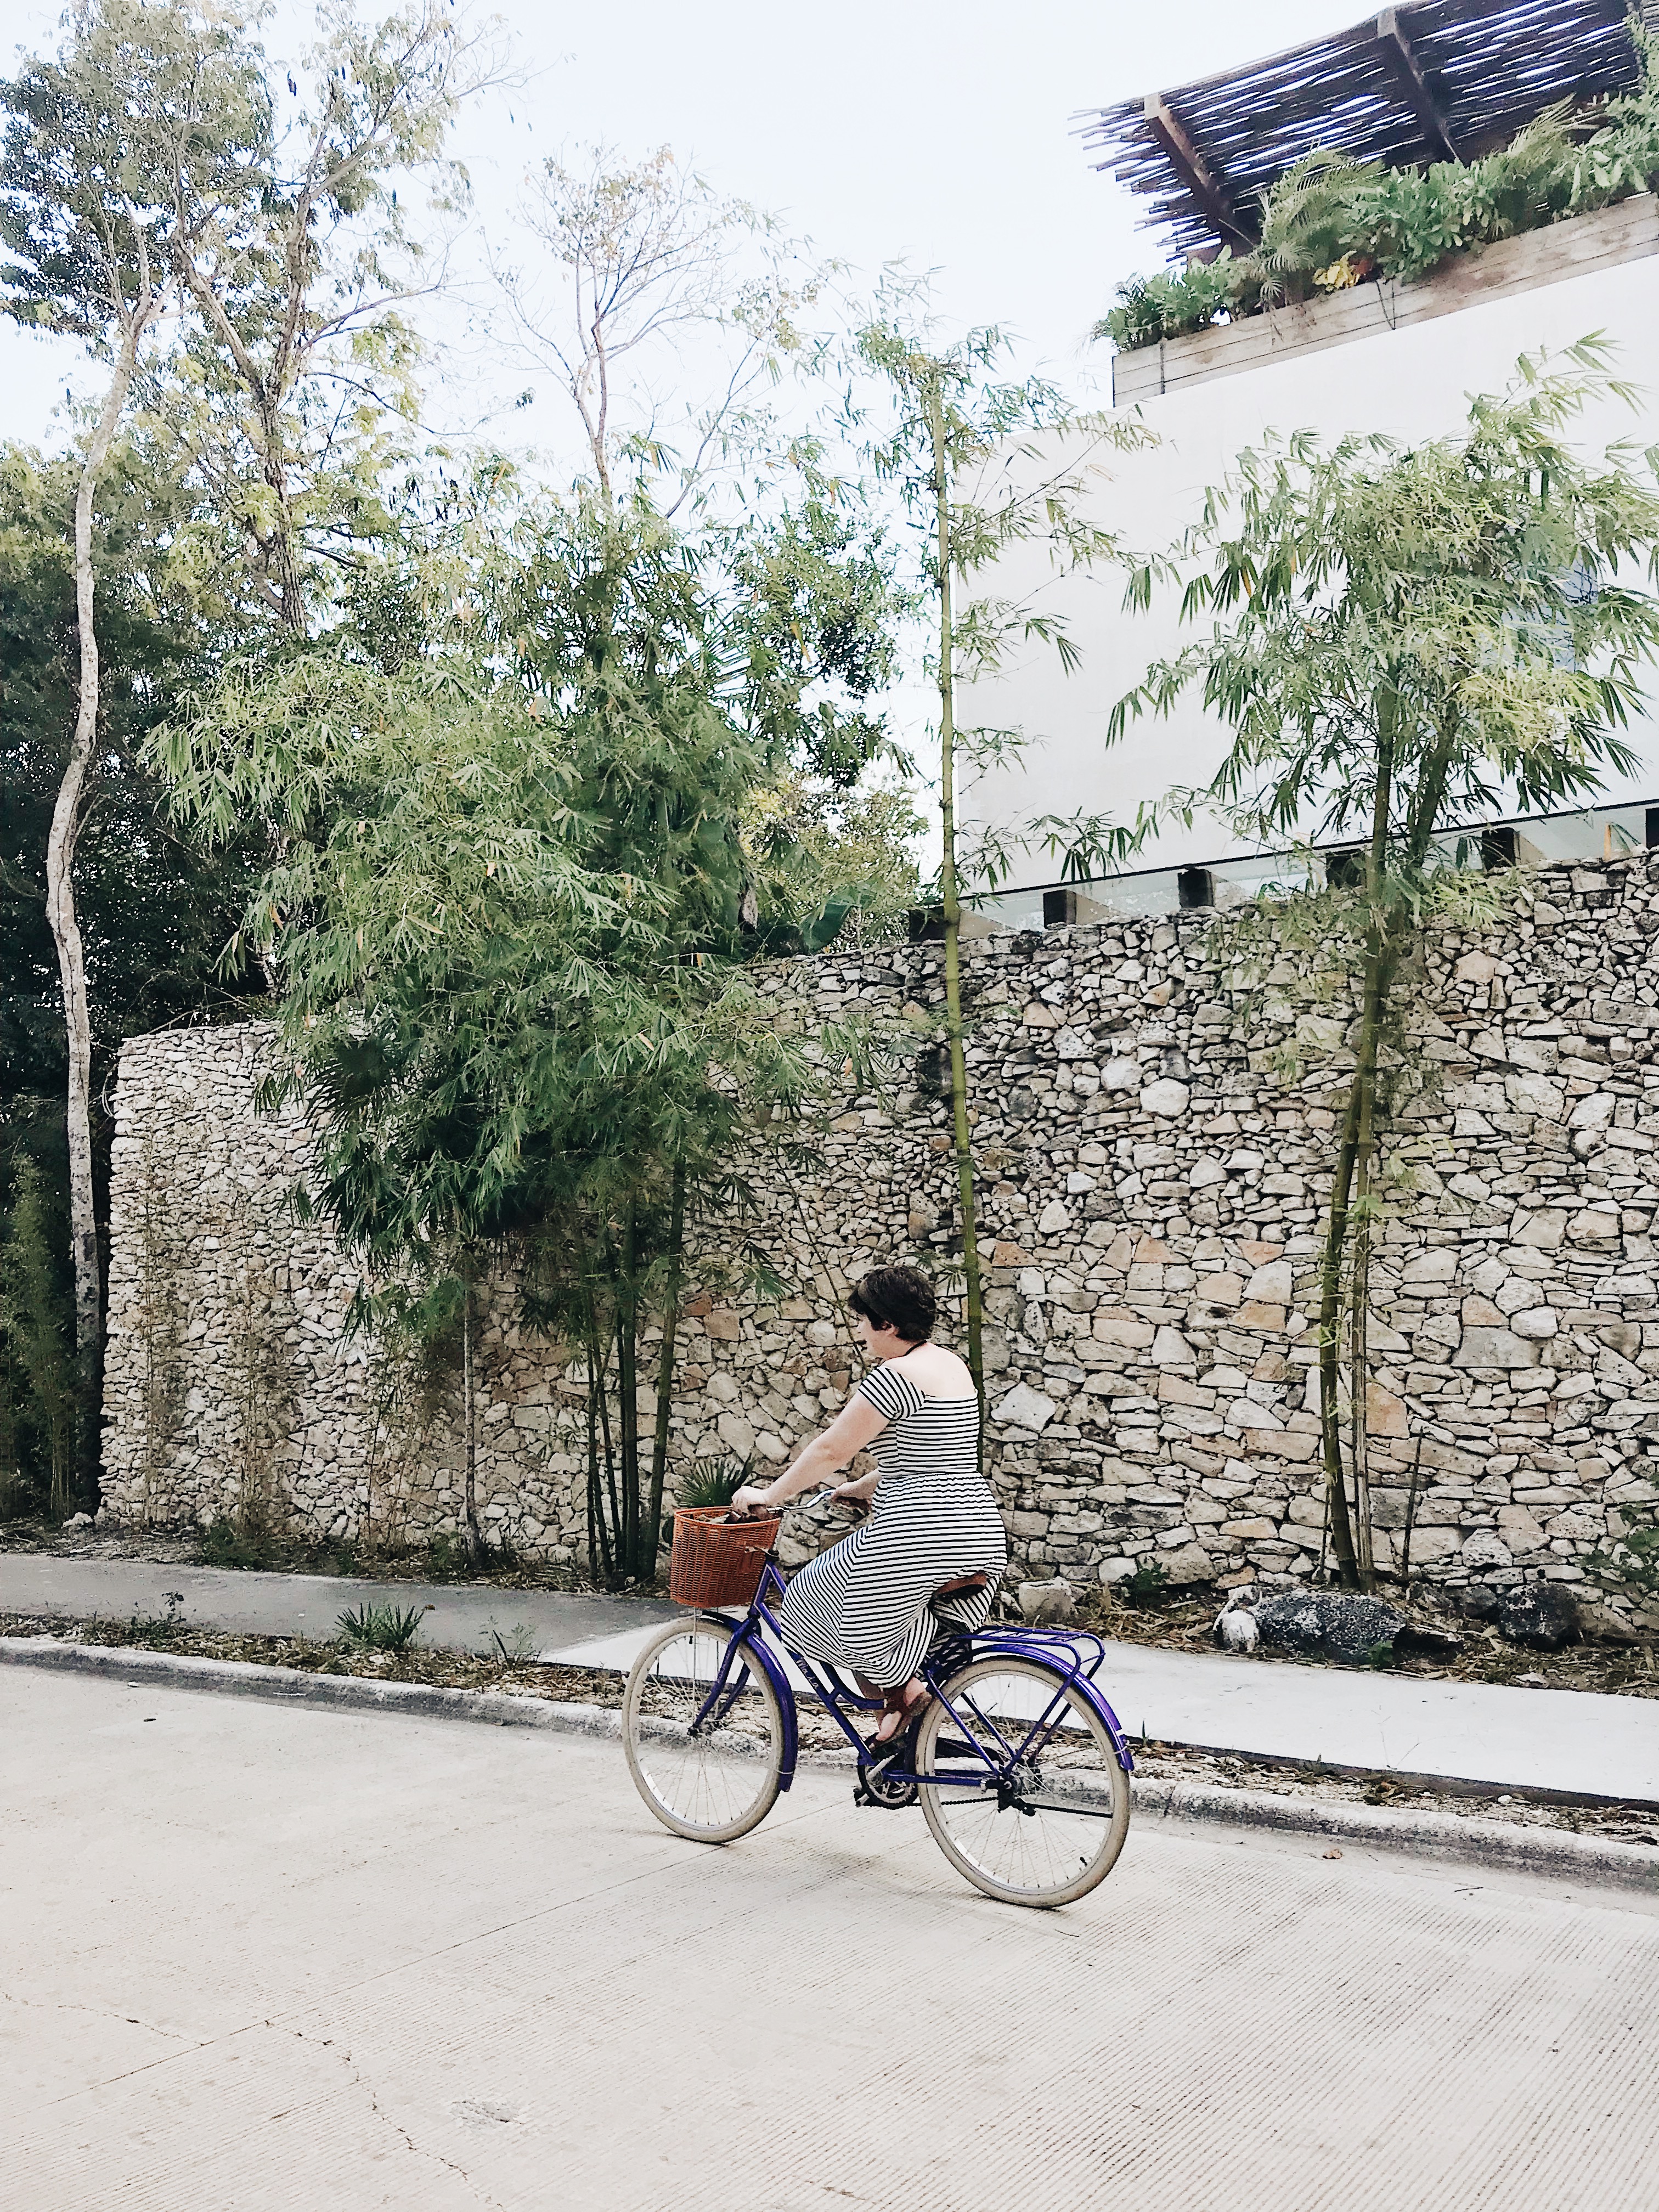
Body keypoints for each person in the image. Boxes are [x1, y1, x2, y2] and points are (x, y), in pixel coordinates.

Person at [730, 1263, 1008, 1746]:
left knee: (807, 1599)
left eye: (863, 1320)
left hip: (919, 1533)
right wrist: (863, 1485)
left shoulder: (893, 1376)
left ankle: (909, 1700)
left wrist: (770, 1496)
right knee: (869, 1612)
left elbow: (830, 1450)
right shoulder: (950, 1365)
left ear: (888, 1324)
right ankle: (902, 1732)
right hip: (977, 1532)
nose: (858, 1331)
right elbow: (936, 1454)